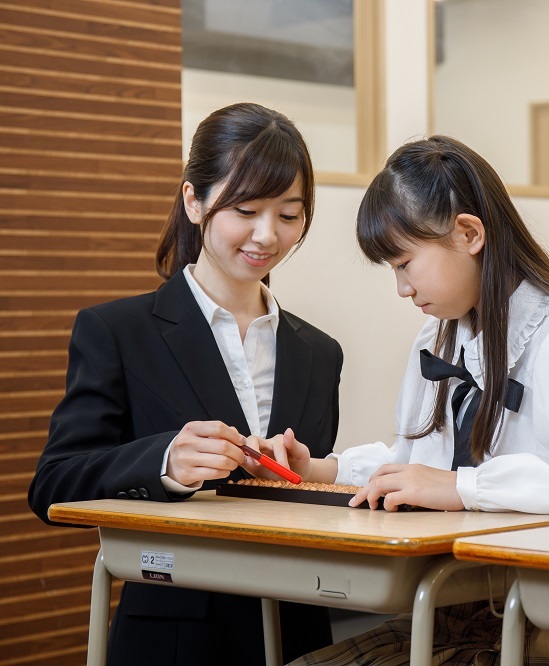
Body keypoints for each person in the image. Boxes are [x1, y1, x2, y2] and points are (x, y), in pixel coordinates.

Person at [265, 135, 549, 666]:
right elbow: (417, 467)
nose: (402, 289)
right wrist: (320, 469)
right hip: (459, 603)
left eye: (405, 263)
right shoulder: (437, 340)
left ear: (469, 233)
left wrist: (464, 487)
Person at [27, 102, 343, 665]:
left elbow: (308, 500)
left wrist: (304, 475)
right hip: (175, 636)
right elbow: (53, 484)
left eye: (290, 215)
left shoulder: (319, 352)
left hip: (295, 627)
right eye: (245, 209)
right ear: (193, 201)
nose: (267, 235)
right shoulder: (117, 331)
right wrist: (166, 462)